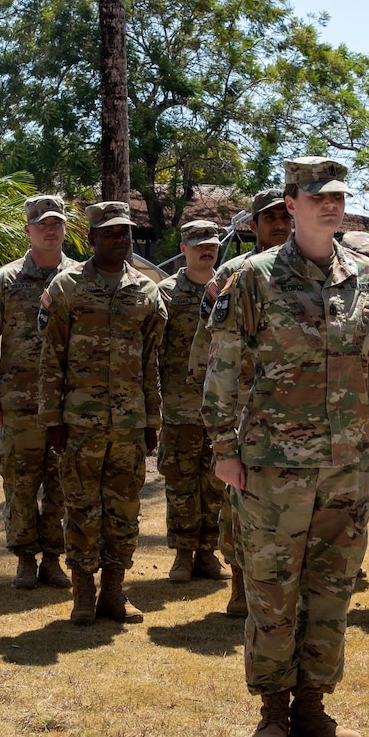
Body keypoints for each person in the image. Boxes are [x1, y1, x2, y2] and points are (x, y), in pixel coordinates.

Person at [204, 156, 369, 737]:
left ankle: (314, 706)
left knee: (333, 587)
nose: (330, 205)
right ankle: (272, 709)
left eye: (337, 196)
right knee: (271, 587)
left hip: (348, 461)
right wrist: (223, 446)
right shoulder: (255, 277)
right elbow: (224, 366)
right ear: (290, 204)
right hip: (272, 461)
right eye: (317, 197)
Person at [39, 201, 166, 625]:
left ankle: (114, 591)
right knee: (81, 508)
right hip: (79, 422)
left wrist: (152, 421)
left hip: (129, 424)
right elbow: (51, 357)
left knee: (124, 509)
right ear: (91, 238)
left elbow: (151, 363)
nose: (119, 239)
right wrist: (52, 419)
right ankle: (82, 594)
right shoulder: (66, 286)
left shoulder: (146, 292)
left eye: (125, 232)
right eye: (110, 232)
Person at [189, 189, 295, 617]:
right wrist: (215, 408)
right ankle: (239, 585)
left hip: (296, 410)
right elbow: (206, 345)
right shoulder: (233, 273)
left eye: (282, 217)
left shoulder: (313, 270)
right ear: (252, 226)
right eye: (268, 218)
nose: (278, 225)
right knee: (239, 503)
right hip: (247, 412)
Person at [0, 195, 78, 591]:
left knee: (61, 485)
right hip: (18, 404)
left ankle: (53, 559)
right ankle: (24, 558)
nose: (50, 230)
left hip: (68, 404)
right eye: (42, 225)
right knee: (19, 483)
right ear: (28, 231)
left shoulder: (78, 277)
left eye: (56, 223)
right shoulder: (6, 281)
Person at [156, 219, 228, 584]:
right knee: (181, 483)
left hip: (220, 407)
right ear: (182, 248)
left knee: (216, 483)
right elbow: (153, 351)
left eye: (212, 243)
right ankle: (183, 554)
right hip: (179, 406)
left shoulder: (228, 288)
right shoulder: (166, 293)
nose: (207, 249)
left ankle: (208, 553)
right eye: (198, 243)